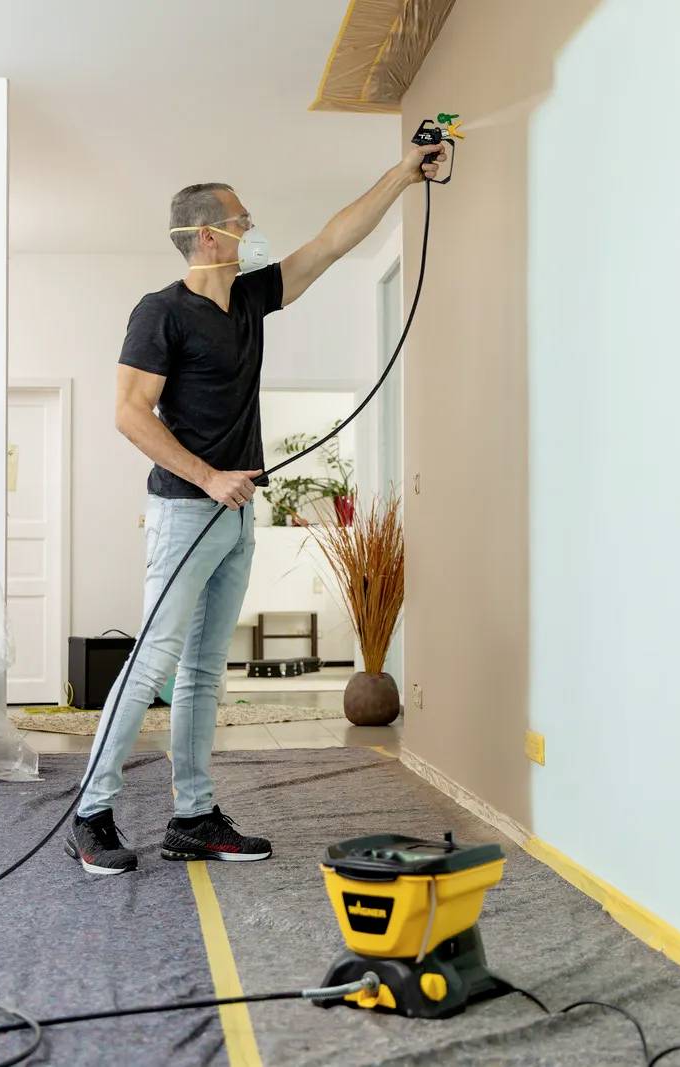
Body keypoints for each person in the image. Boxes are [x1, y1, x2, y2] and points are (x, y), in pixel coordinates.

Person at [66, 142, 444, 874]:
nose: (253, 227)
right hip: (186, 508)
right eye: (242, 219)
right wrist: (207, 476)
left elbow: (332, 242)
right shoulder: (160, 313)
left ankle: (194, 816)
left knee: (207, 672)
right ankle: (90, 812)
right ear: (208, 235)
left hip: (238, 512)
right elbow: (129, 413)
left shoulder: (249, 298)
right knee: (153, 663)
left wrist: (402, 174)